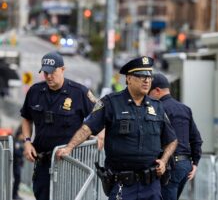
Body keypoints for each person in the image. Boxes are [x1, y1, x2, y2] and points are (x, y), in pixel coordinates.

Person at [56, 56, 178, 200]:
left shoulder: (157, 106)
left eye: (149, 76)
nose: (146, 80)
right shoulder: (111, 103)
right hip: (123, 185)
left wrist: (163, 161)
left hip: (151, 186)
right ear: (129, 79)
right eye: (140, 76)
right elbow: (87, 128)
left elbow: (172, 140)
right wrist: (69, 148)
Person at [20, 52, 96, 200]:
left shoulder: (79, 92)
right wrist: (27, 142)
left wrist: (100, 136)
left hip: (70, 163)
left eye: (52, 72)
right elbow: (26, 118)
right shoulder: (35, 91)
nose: (48, 76)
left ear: (62, 69)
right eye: (45, 72)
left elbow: (99, 117)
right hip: (43, 163)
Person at [149, 73, 203, 200]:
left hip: (169, 166)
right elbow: (196, 139)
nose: (147, 97)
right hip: (185, 166)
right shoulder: (185, 109)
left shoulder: (158, 108)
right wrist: (195, 163)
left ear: (157, 90)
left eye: (149, 93)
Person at [13, 126, 24, 200]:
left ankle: (15, 194)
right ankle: (13, 195)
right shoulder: (16, 142)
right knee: (16, 179)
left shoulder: (20, 143)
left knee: (18, 179)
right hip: (14, 164)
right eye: (22, 135)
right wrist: (22, 152)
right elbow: (17, 152)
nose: (23, 137)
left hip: (18, 164)